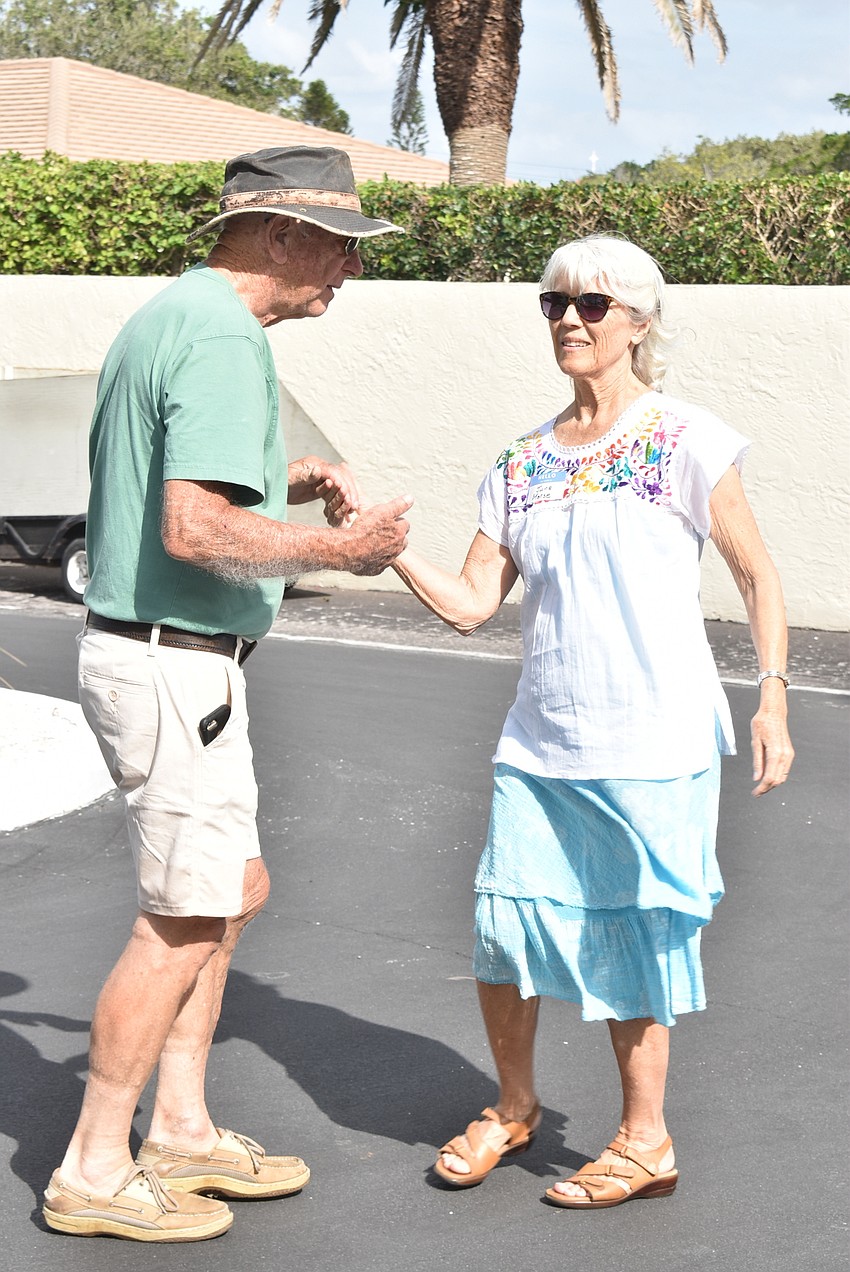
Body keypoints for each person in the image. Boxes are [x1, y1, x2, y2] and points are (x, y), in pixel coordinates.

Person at [42, 145, 412, 1242]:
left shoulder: (176, 317)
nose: (349, 270)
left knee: (229, 889)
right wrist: (341, 552)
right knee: (181, 919)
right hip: (172, 662)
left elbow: (183, 470)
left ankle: (185, 1131)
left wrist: (292, 473)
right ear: (282, 234)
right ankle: (94, 1169)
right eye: (341, 246)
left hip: (173, 662)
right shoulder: (219, 335)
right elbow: (193, 527)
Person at [392, 234, 794, 1208]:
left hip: (654, 740)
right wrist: (384, 546)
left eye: (593, 304)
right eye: (554, 303)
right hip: (541, 743)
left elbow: (755, 571)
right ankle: (515, 1105)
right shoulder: (520, 463)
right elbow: (471, 601)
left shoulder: (684, 439)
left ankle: (644, 1138)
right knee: (504, 925)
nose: (570, 318)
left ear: (639, 322)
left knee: (639, 932)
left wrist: (772, 692)